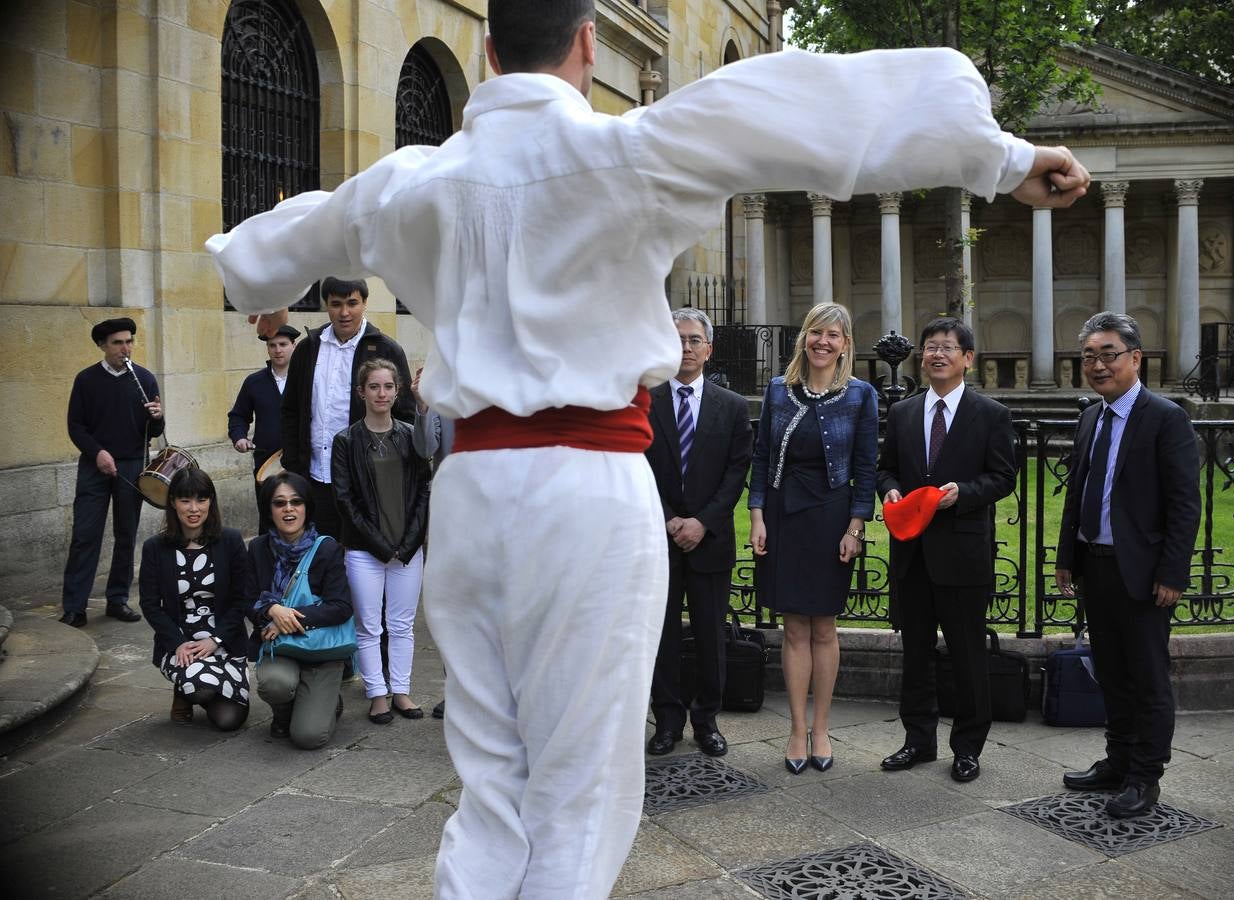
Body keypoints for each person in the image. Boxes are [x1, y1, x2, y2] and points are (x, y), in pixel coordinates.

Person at [206, 1, 1091, 893]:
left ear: (486, 48)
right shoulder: (624, 151)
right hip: (588, 493)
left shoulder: (410, 181)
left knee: (490, 782)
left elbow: (283, 240)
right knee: (578, 789)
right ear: (589, 42)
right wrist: (1005, 158)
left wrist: (249, 267)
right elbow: (802, 104)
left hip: (470, 494)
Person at [1055, 312, 1201, 818]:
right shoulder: (1092, 416)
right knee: (1112, 673)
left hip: (1142, 573)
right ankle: (1117, 762)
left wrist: (1173, 573)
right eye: (1089, 356)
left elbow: (1185, 503)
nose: (1097, 365)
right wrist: (1066, 556)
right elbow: (1078, 490)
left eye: (1108, 354)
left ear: (1135, 358)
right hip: (1096, 566)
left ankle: (1145, 777)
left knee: (1147, 677)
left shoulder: (1166, 418)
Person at [876, 316, 1016, 783]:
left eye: (948, 347)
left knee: (967, 654)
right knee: (915, 652)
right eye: (930, 346)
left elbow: (1003, 477)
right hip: (911, 553)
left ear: (967, 359)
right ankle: (917, 739)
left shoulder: (990, 414)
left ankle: (968, 746)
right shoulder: (902, 413)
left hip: (962, 553)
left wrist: (965, 494)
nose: (937, 354)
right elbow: (885, 468)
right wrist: (891, 491)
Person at [749, 303, 877, 774]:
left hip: (830, 516)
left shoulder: (860, 395)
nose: (823, 341)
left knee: (823, 626)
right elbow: (761, 457)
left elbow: (865, 468)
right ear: (804, 338)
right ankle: (794, 729)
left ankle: (821, 728)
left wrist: (855, 527)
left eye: (834, 335)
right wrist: (757, 516)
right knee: (793, 627)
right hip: (783, 515)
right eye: (816, 333)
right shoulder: (780, 391)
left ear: (845, 344)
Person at [645, 308, 752, 759]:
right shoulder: (644, 403)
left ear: (709, 349)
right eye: (677, 340)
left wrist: (701, 522)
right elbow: (639, 466)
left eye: (694, 340)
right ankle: (667, 720)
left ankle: (707, 721)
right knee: (662, 635)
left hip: (710, 540)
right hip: (659, 537)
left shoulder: (732, 406)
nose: (685, 348)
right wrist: (669, 518)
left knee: (711, 638)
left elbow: (736, 472)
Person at [331, 359, 431, 724]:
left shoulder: (409, 435)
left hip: (407, 549)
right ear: (361, 392)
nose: (382, 393)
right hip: (364, 549)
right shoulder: (345, 441)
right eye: (374, 387)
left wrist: (409, 542)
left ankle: (401, 691)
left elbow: (423, 488)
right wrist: (378, 544)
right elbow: (344, 499)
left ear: (397, 391)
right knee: (369, 625)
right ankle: (377, 694)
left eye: (388, 386)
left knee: (402, 624)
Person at [279, 277, 414, 537]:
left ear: (364, 303)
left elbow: (406, 418)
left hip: (366, 483)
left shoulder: (386, 350)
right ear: (326, 305)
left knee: (361, 562)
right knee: (321, 557)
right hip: (316, 477)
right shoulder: (308, 348)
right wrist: (295, 465)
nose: (344, 312)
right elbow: (291, 410)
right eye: (336, 304)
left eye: (352, 303)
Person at [60, 317, 164, 627]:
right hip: (96, 466)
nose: (125, 348)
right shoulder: (87, 380)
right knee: (85, 536)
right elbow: (75, 426)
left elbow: (154, 430)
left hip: (132, 464)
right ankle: (75, 607)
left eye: (129, 341)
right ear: (103, 346)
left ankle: (117, 600)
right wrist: (98, 453)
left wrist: (158, 417)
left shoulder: (144, 378)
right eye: (118, 343)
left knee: (126, 535)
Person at [246, 472, 354, 749]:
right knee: (274, 685)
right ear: (269, 510)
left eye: (296, 501)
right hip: (281, 647)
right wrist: (271, 609)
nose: (289, 509)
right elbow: (247, 598)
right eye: (279, 503)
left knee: (308, 737)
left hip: (322, 648)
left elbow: (340, 607)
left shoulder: (327, 549)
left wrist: (286, 617)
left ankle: (328, 701)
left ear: (307, 506)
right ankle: (284, 714)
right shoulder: (258, 548)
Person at [138, 467, 251, 730]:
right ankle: (186, 690)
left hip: (223, 639)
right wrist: (177, 643)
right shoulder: (155, 548)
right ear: (173, 503)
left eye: (201, 499)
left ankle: (200, 686)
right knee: (201, 690)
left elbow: (241, 598)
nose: (193, 508)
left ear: (211, 502)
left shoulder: (231, 541)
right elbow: (150, 605)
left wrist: (216, 640)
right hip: (182, 643)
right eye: (185, 500)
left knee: (229, 720)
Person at [229, 323, 301, 533]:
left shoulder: (306, 380)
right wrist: (239, 437)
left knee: (299, 518)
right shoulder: (254, 382)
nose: (278, 349)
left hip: (299, 463)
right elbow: (238, 416)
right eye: (272, 345)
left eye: (283, 344)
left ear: (293, 346)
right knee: (269, 519)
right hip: (266, 464)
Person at [410, 365, 452, 720]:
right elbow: (425, 446)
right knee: (453, 608)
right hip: (450, 517)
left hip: (498, 517)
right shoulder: (443, 390)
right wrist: (422, 406)